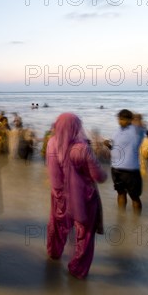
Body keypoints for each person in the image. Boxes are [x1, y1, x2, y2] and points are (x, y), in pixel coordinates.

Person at [46, 113, 107, 279]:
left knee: (57, 226)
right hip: (83, 198)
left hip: (58, 195)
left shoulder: (51, 143)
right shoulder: (81, 148)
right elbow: (99, 176)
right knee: (84, 234)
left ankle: (54, 252)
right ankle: (77, 268)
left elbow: (53, 172)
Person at [104, 109, 145, 214]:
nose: (120, 121)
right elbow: (115, 148)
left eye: (123, 119)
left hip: (131, 170)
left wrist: (136, 118)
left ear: (130, 119)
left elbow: (142, 125)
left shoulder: (136, 131)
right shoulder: (117, 131)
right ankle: (121, 216)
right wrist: (108, 145)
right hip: (116, 169)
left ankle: (137, 220)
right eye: (119, 119)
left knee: (134, 197)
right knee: (120, 193)